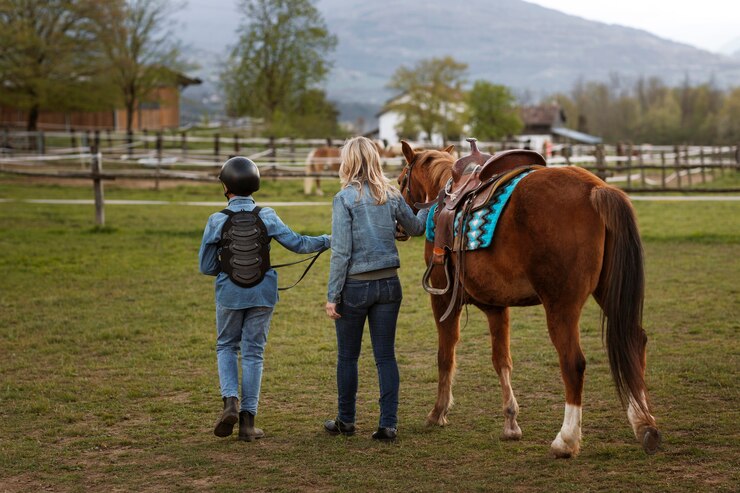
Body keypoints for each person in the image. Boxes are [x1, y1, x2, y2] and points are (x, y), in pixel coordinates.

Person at [199, 156, 330, 441]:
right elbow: (299, 244)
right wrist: (328, 239)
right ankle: (247, 423)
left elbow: (206, 266)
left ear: (226, 187)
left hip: (229, 293)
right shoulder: (267, 215)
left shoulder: (216, 220)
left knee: (226, 346)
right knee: (253, 352)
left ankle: (230, 402)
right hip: (263, 293)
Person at [324, 136, 428, 441]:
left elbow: (341, 252)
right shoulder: (392, 195)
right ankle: (388, 424)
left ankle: (346, 420)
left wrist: (332, 296)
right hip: (389, 287)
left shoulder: (343, 199)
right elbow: (417, 228)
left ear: (348, 161)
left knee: (347, 357)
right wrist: (430, 205)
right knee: (385, 356)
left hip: (355, 289)